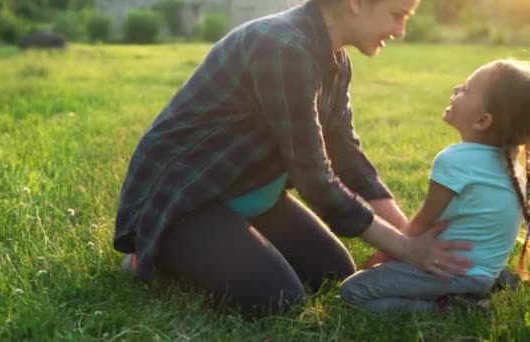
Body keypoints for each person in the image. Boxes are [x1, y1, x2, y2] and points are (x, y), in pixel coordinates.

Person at [113, 0, 473, 315]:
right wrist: (408, 251)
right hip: (186, 199)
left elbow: (346, 154)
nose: (400, 30)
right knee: (278, 300)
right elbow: (316, 179)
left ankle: (218, 242)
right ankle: (153, 249)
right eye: (397, 15)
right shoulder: (282, 46)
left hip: (248, 190)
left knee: (331, 273)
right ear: (356, 2)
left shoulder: (335, 60)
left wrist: (406, 236)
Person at [339, 60, 530, 313]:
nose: (455, 89)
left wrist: (391, 251)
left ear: (483, 121)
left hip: (447, 269)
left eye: (466, 89)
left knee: (353, 292)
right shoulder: (514, 169)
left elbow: (421, 225)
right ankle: (485, 287)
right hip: (484, 274)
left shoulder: (455, 161)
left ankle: (448, 307)